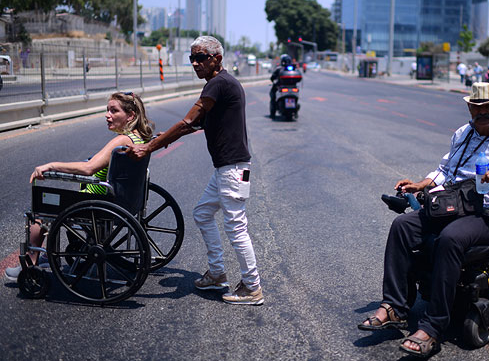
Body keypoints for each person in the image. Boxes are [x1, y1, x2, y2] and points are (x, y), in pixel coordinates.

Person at [358, 82, 489, 358]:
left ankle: (433, 327)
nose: (482, 112)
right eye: (476, 107)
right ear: (469, 107)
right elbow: (445, 169)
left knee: (450, 239)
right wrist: (421, 184)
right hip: (455, 205)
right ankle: (395, 307)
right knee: (402, 226)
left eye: (488, 107)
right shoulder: (463, 133)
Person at [126, 36, 263, 306]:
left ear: (217, 59)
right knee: (202, 213)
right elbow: (194, 125)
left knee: (236, 227)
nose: (195, 63)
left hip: (232, 169)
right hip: (226, 168)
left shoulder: (219, 84)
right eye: (192, 58)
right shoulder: (221, 85)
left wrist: (149, 147)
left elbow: (189, 119)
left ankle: (252, 286)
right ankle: (216, 273)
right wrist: (164, 137)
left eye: (201, 57)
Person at [4, 92, 154, 282]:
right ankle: (50, 255)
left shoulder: (121, 141)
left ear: (130, 115)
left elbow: (89, 169)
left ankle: (30, 264)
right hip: (126, 202)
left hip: (98, 203)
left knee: (40, 213)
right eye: (107, 110)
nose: (107, 115)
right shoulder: (141, 138)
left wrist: (51, 165)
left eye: (114, 110)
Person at [270, 54, 293, 119]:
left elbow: (272, 78)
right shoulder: (293, 69)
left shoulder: (279, 68)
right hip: (290, 88)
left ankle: (272, 113)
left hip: (283, 88)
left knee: (273, 96)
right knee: (273, 94)